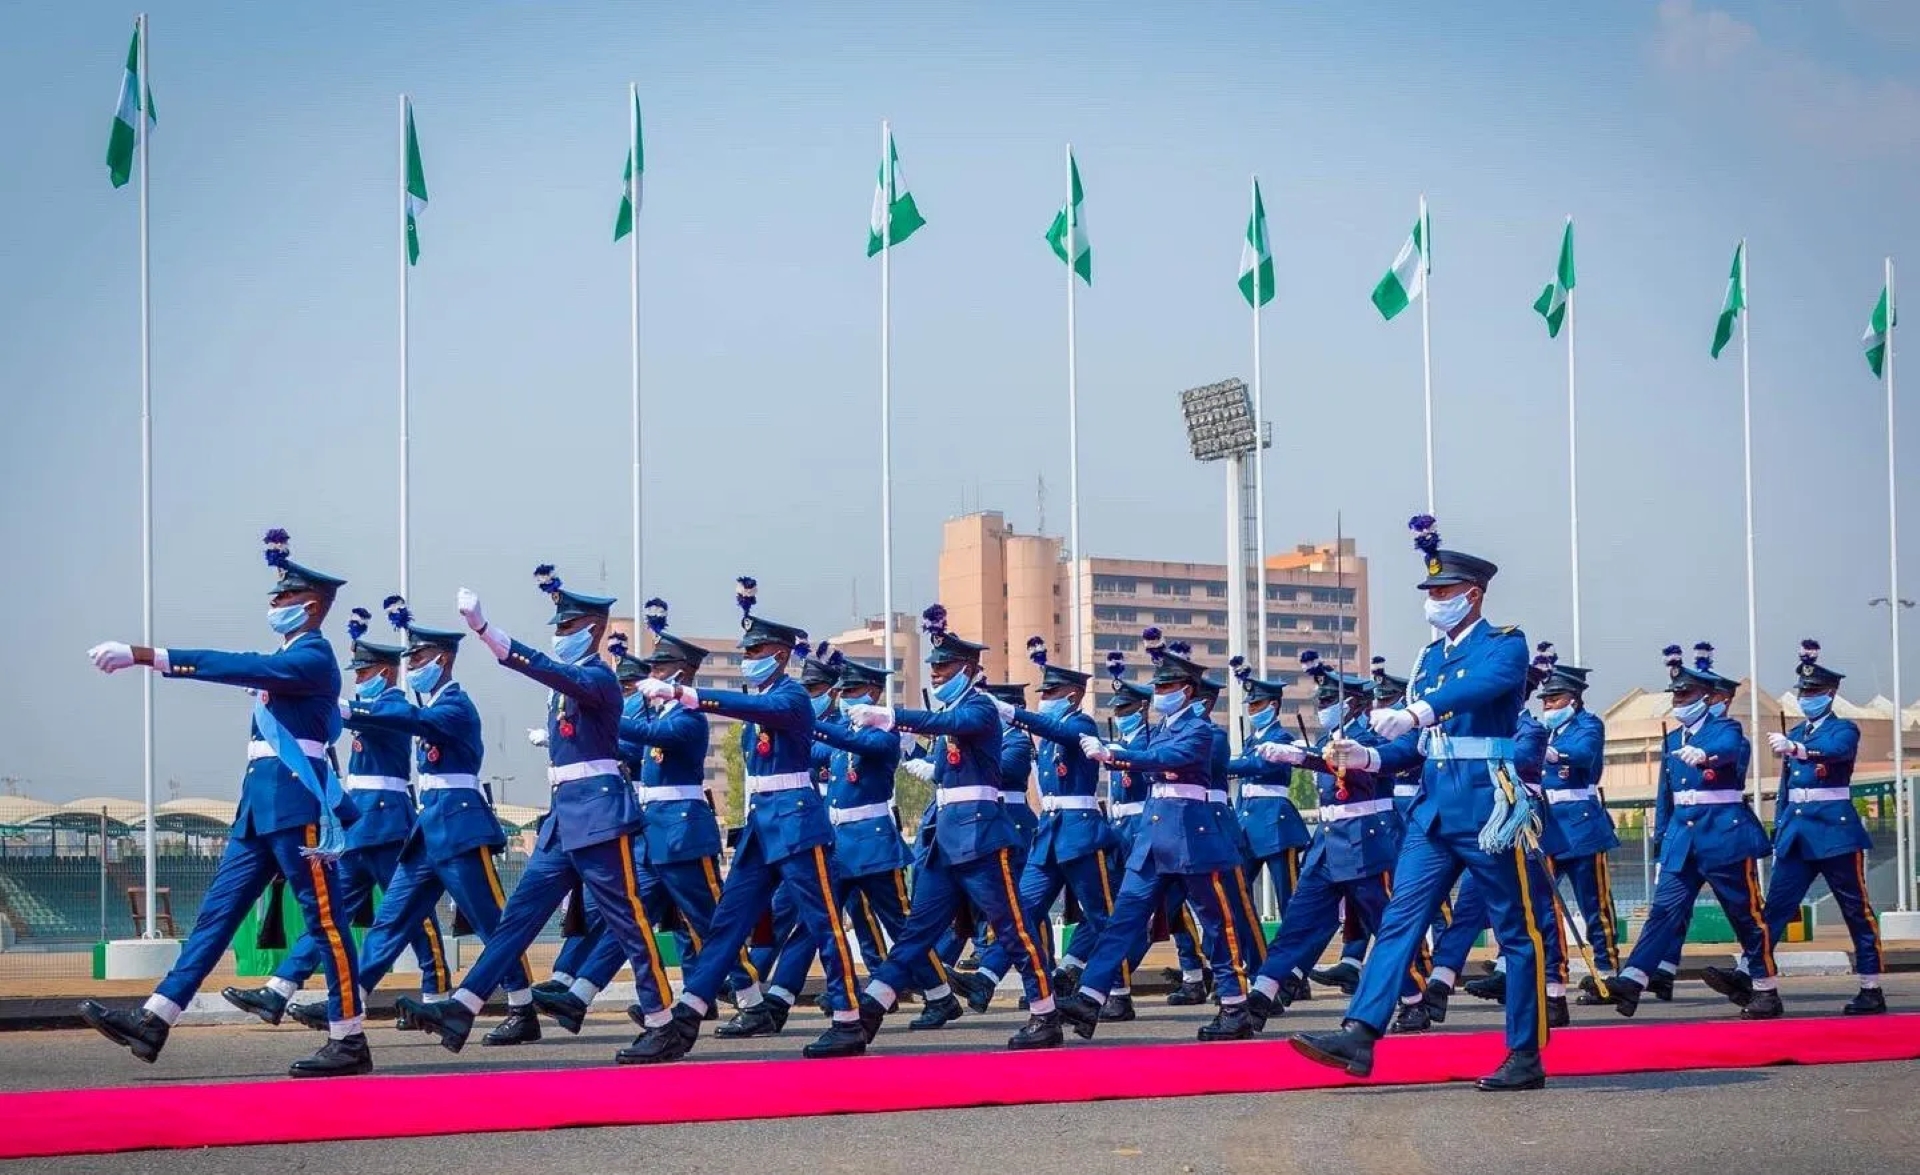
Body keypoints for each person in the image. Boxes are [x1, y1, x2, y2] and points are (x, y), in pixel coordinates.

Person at [79, 530, 369, 1076]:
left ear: (308, 606)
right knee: (216, 918)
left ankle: (349, 1037)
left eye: (281, 599)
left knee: (325, 923)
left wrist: (147, 655)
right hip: (258, 811)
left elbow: (233, 664)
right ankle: (155, 1018)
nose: (272, 605)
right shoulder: (291, 657)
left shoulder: (313, 656)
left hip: (296, 809)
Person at [1291, 514, 1550, 1093]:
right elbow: (1419, 745)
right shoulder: (1429, 660)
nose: (1433, 601)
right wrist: (1369, 757)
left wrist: (1418, 711)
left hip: (1489, 809)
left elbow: (1475, 694)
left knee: (1515, 930)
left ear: (1473, 593)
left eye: (1442, 591)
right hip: (1433, 811)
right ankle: (1360, 1032)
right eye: (1429, 593)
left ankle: (1525, 1053)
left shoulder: (1505, 645)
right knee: (1399, 921)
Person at [399, 566, 678, 1058]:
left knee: (627, 918)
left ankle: (661, 1019)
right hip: (561, 822)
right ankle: (463, 1006)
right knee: (517, 921)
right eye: (557, 628)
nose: (559, 636)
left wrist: (488, 633)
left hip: (597, 817)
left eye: (567, 628)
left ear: (591, 631)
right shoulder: (569, 688)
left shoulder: (597, 679)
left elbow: (550, 670)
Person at [620, 579, 868, 1062]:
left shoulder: (791, 696)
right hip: (762, 827)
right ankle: (686, 1018)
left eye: (756, 649)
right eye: (746, 649)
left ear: (777, 655)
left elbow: (752, 707)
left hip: (797, 823)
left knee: (822, 923)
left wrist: (689, 695)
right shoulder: (763, 700)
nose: (749, 656)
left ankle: (849, 1019)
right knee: (728, 924)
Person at [843, 606, 1063, 1050]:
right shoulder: (951, 715)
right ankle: (866, 1016)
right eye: (934, 667)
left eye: (944, 666)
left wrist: (891, 717)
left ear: (970, 669)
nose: (937, 674)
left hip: (981, 839)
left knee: (1012, 929)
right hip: (947, 842)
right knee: (915, 934)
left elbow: (950, 724)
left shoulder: (978, 709)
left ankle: (1045, 1013)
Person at [221, 607, 450, 1028]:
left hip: (388, 825)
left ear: (386, 671)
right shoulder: (365, 706)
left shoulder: (394, 705)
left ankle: (436, 990)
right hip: (359, 828)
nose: (360, 679)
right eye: (356, 675)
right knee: (327, 915)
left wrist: (330, 701)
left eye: (365, 673)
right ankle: (280, 989)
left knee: (411, 913)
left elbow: (367, 718)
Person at [1056, 645, 1265, 1043]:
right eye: (1157, 685)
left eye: (1166, 685)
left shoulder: (1201, 730)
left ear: (1187, 690)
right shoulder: (1164, 728)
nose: (1159, 692)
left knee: (1216, 925)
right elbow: (1156, 754)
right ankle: (1089, 996)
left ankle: (1236, 1005)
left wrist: (1116, 756)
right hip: (1153, 840)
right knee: (1123, 921)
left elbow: (1167, 756)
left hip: (1192, 840)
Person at [1238, 653, 1425, 1035]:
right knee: (1297, 923)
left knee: (1385, 925)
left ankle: (1414, 998)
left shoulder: (1375, 736)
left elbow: (1350, 765)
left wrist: (1302, 758)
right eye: (1321, 702)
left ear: (1353, 702)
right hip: (1327, 844)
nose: (1323, 708)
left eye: (1328, 701)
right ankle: (1261, 994)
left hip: (1364, 843)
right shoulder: (1329, 737)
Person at [1601, 643, 1778, 1019]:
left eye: (1686, 695)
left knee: (1745, 915)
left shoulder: (1725, 728)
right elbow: (1665, 799)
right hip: (1683, 841)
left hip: (1723, 837)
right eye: (1676, 695)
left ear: (1706, 697)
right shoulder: (1672, 740)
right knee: (1664, 911)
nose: (1679, 701)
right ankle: (1633, 980)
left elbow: (1729, 749)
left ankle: (1764, 987)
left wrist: (1706, 756)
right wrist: (1661, 849)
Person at [1714, 640, 1885, 1016]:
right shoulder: (1797, 732)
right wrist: (1783, 827)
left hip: (1835, 832)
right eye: (1803, 691)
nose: (1806, 696)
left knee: (1855, 909)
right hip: (1798, 834)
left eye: (1813, 691)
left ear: (1830, 693)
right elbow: (1789, 790)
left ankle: (1871, 986)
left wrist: (1798, 750)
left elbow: (1836, 752)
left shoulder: (1843, 729)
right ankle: (1750, 974)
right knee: (1774, 910)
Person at [957, 639, 1121, 1012]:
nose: (1045, 696)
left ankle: (1109, 992)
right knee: (1023, 909)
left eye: (1053, 691)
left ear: (1074, 695)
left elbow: (1062, 734)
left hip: (1079, 832)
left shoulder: (1078, 722)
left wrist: (1012, 714)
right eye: (1043, 691)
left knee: (1101, 917)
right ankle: (985, 978)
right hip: (1050, 834)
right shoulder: (1047, 734)